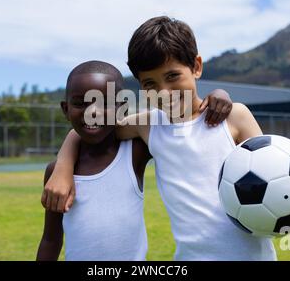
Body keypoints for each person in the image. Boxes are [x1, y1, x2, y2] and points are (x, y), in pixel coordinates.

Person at [42, 16, 290, 260]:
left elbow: (275, 170)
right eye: (150, 83)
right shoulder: (149, 125)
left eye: (173, 76)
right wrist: (63, 169)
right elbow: (90, 125)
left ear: (196, 67)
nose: (164, 92)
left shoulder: (234, 117)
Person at [36, 59, 232, 260]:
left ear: (122, 108)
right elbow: (51, 240)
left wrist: (220, 95)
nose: (93, 112)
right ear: (65, 109)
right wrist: (63, 165)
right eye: (79, 103)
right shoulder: (56, 174)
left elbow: (184, 123)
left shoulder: (136, 151)